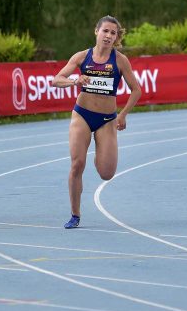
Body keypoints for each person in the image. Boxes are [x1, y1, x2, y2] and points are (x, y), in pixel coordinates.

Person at [53, 15, 142, 228]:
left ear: (116, 37)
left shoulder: (120, 60)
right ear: (96, 31)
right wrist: (75, 81)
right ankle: (75, 214)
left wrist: (123, 115)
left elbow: (136, 90)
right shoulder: (82, 57)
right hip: (82, 115)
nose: (108, 36)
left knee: (106, 173)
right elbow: (57, 79)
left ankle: (99, 153)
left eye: (113, 33)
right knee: (77, 164)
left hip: (107, 120)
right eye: (105, 31)